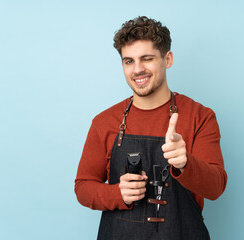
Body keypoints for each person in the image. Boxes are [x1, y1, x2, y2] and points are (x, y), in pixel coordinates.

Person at [74, 16, 227, 240]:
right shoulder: (104, 122)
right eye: (128, 61)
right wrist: (117, 193)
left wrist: (185, 164)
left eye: (147, 59)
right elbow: (83, 187)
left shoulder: (200, 116)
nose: (137, 70)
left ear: (168, 59)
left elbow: (216, 188)